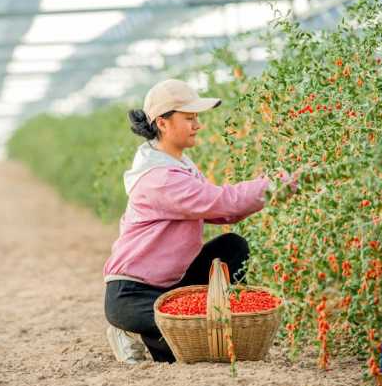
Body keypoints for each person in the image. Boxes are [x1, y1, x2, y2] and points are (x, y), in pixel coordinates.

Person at [102, 79, 297, 364]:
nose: (198, 125)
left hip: (170, 284)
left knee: (231, 248)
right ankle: (128, 329)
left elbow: (221, 213)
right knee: (199, 333)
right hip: (132, 295)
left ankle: (155, 335)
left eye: (197, 118)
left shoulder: (179, 164)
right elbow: (222, 203)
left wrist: (273, 186)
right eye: (189, 118)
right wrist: (279, 183)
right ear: (163, 123)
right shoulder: (160, 178)